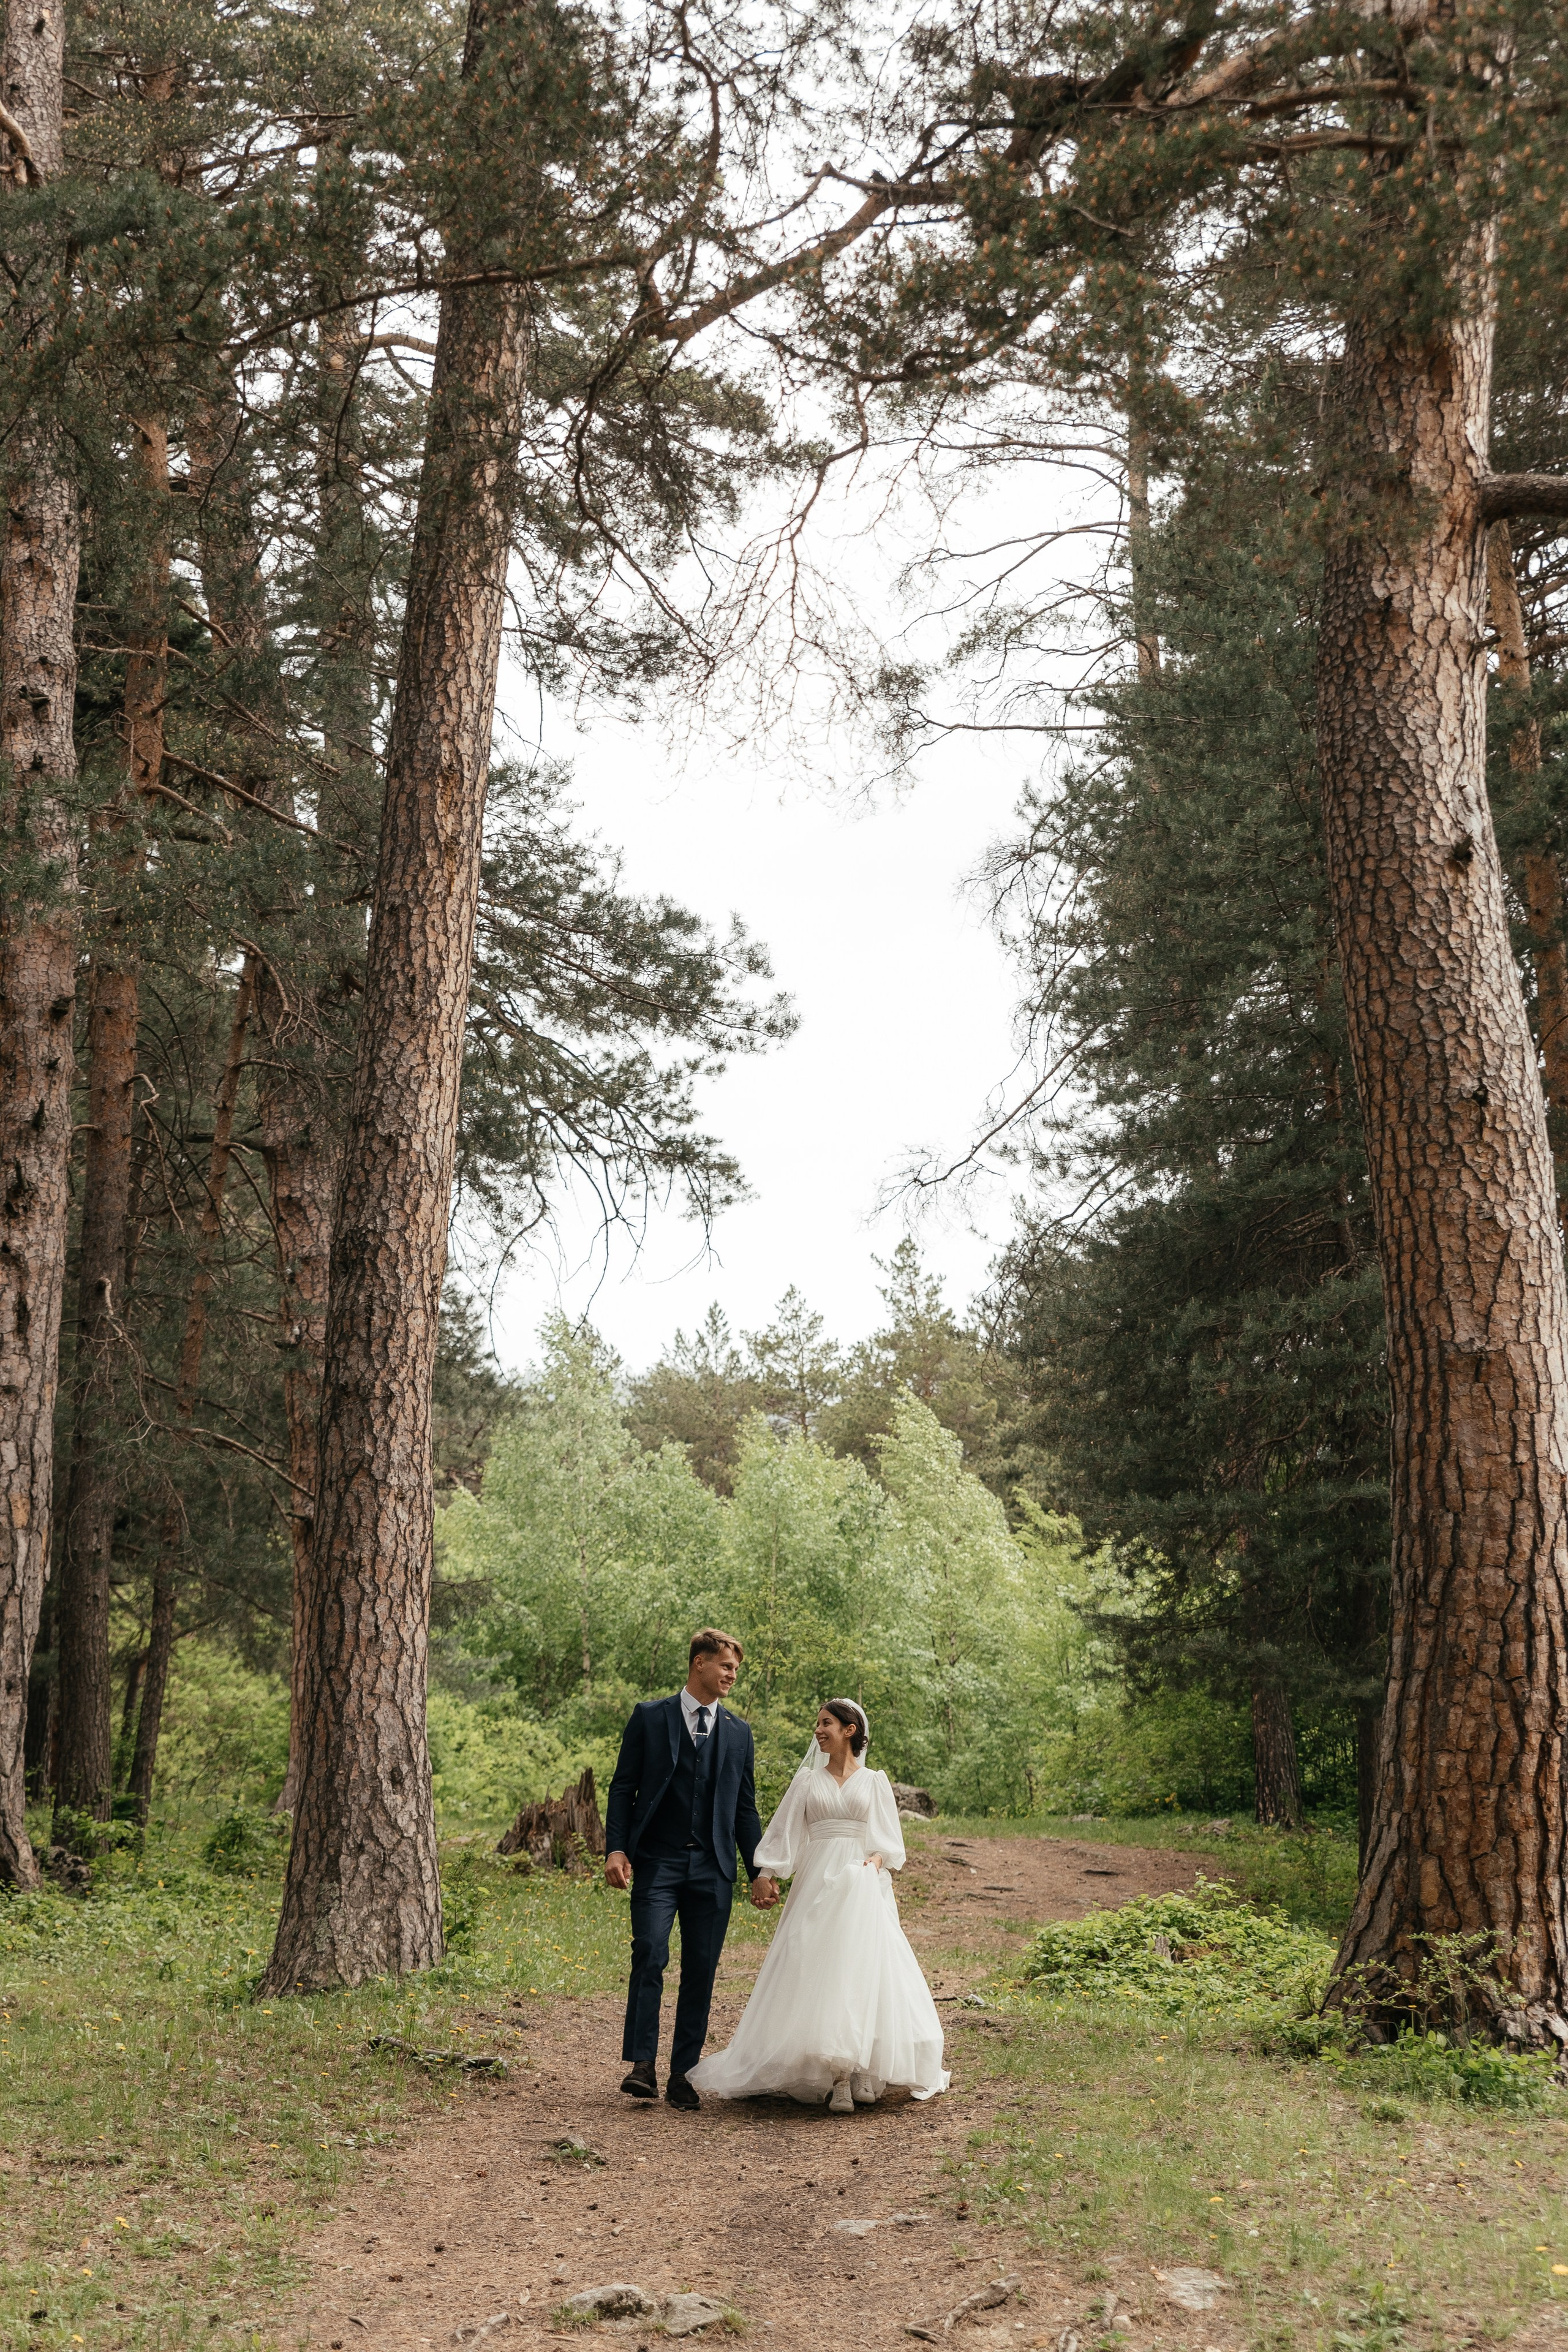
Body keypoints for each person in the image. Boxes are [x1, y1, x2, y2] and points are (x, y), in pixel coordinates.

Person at [687, 1698, 949, 2113]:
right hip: (818, 1881)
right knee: (820, 1965)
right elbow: (784, 1833)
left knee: (864, 1968)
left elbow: (888, 1843)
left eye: (826, 1723)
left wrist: (874, 1862)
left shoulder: (875, 1781)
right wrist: (767, 1874)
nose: (818, 1730)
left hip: (863, 1883)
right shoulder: (808, 1782)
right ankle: (838, 2076)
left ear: (850, 1729)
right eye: (817, 1724)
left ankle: (864, 2068)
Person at [605, 1629, 780, 2111]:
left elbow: (745, 1809)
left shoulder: (740, 1733)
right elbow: (623, 1788)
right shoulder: (649, 1717)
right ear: (699, 1663)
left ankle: (683, 2072)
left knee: (701, 1971)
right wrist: (616, 1850)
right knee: (650, 1951)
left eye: (736, 1670)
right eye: (725, 1666)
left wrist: (759, 1870)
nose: (731, 1675)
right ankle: (642, 2065)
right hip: (658, 1861)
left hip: (714, 1866)